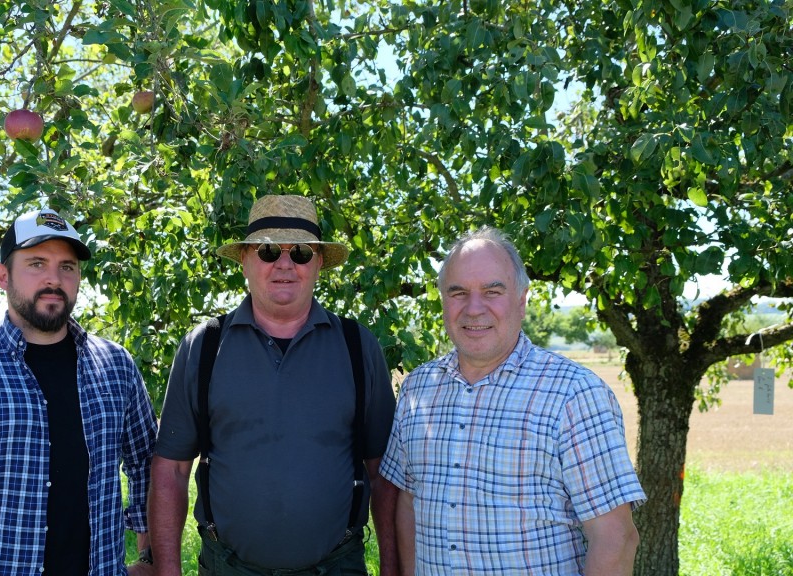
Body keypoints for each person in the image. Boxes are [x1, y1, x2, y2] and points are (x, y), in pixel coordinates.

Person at [0, 207, 158, 576]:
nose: (54, 279)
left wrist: (149, 556)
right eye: (37, 263)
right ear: (2, 276)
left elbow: (146, 460)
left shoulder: (116, 366)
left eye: (67, 266)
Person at [149, 195, 398, 576]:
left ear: (317, 264)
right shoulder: (204, 345)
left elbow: (383, 474)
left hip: (336, 567)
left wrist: (394, 569)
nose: (284, 264)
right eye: (268, 251)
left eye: (300, 252)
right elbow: (171, 470)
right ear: (246, 261)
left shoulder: (356, 345)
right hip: (228, 568)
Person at [381, 226, 645, 576]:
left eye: (492, 291)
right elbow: (410, 502)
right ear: (443, 300)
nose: (474, 309)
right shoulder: (418, 389)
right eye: (458, 292)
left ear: (521, 300)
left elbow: (616, 539)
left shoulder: (574, 395)